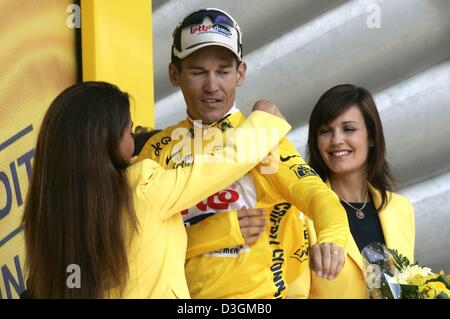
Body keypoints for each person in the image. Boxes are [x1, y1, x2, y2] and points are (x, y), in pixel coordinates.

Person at [136, 8, 350, 299]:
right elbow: (138, 240)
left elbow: (315, 194)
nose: (212, 86)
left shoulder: (263, 136)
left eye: (223, 72)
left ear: (241, 73)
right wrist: (219, 232)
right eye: (198, 72)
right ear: (174, 74)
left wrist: (332, 237)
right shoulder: (158, 150)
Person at [21, 81, 292, 298]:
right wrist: (264, 121)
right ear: (106, 141)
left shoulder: (48, 209)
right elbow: (220, 166)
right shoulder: (141, 187)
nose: (134, 140)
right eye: (129, 133)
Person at [288, 84, 415, 298]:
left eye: (349, 129)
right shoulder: (299, 212)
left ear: (372, 137)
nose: (337, 140)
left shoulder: (400, 208)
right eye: (326, 131)